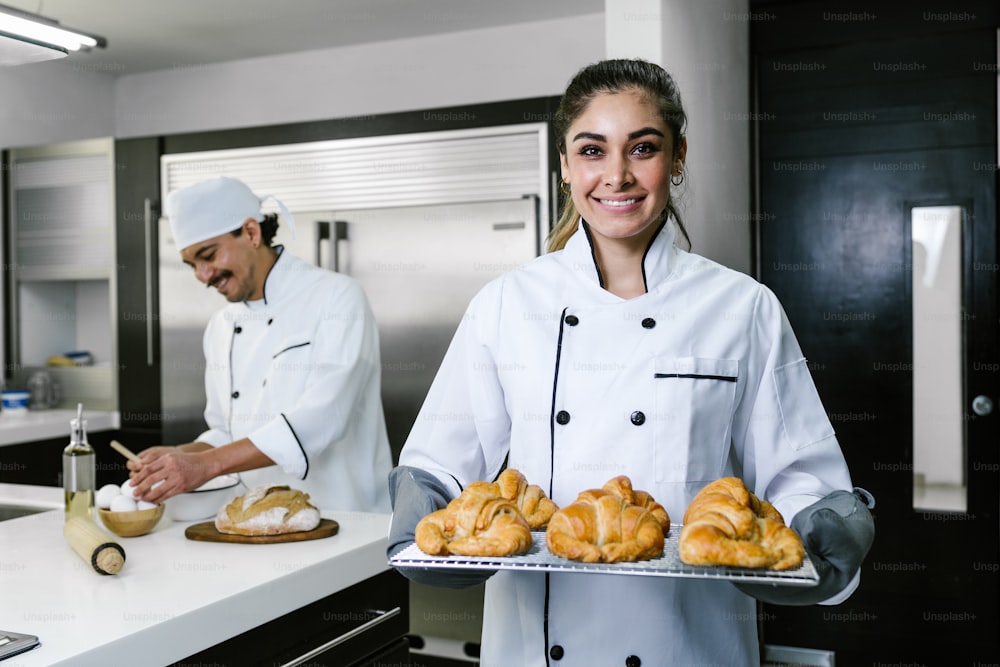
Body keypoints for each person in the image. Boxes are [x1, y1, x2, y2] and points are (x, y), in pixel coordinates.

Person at [387, 59, 874, 665]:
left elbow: (797, 471)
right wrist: (425, 503)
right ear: (565, 166)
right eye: (592, 150)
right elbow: (445, 457)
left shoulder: (742, 306)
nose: (616, 175)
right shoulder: (507, 304)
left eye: (642, 148)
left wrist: (823, 525)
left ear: (677, 158)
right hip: (538, 642)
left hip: (689, 641)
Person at [127, 176, 392, 513]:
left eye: (208, 255)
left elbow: (324, 418)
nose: (203, 276)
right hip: (258, 520)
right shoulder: (221, 327)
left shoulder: (338, 299)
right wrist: (180, 455)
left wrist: (206, 465)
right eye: (192, 264)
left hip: (346, 519)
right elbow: (227, 431)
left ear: (251, 233)